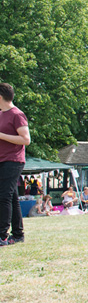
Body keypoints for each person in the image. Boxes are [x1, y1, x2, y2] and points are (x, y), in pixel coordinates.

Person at [0, 83, 29, 247]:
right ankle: (17, 234)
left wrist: (1, 135)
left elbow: (26, 139)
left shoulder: (17, 114)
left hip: (13, 160)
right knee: (11, 198)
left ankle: (2, 236)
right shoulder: (1, 114)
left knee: (3, 197)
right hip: (2, 160)